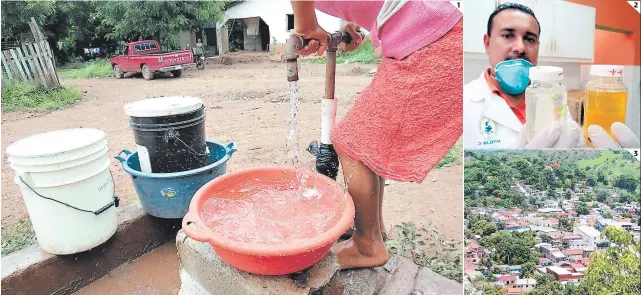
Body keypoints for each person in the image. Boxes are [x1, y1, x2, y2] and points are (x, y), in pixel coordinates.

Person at [290, 0, 463, 269]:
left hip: (431, 46)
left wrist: (307, 25)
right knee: (368, 143)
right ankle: (373, 230)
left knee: (353, 143)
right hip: (433, 37)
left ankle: (367, 246)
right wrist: (357, 25)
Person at [463, 2, 639, 149]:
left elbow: (571, 148)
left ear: (538, 46)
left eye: (530, 39)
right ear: (487, 43)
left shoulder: (552, 94)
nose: (520, 47)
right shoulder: (464, 103)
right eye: (508, 35)